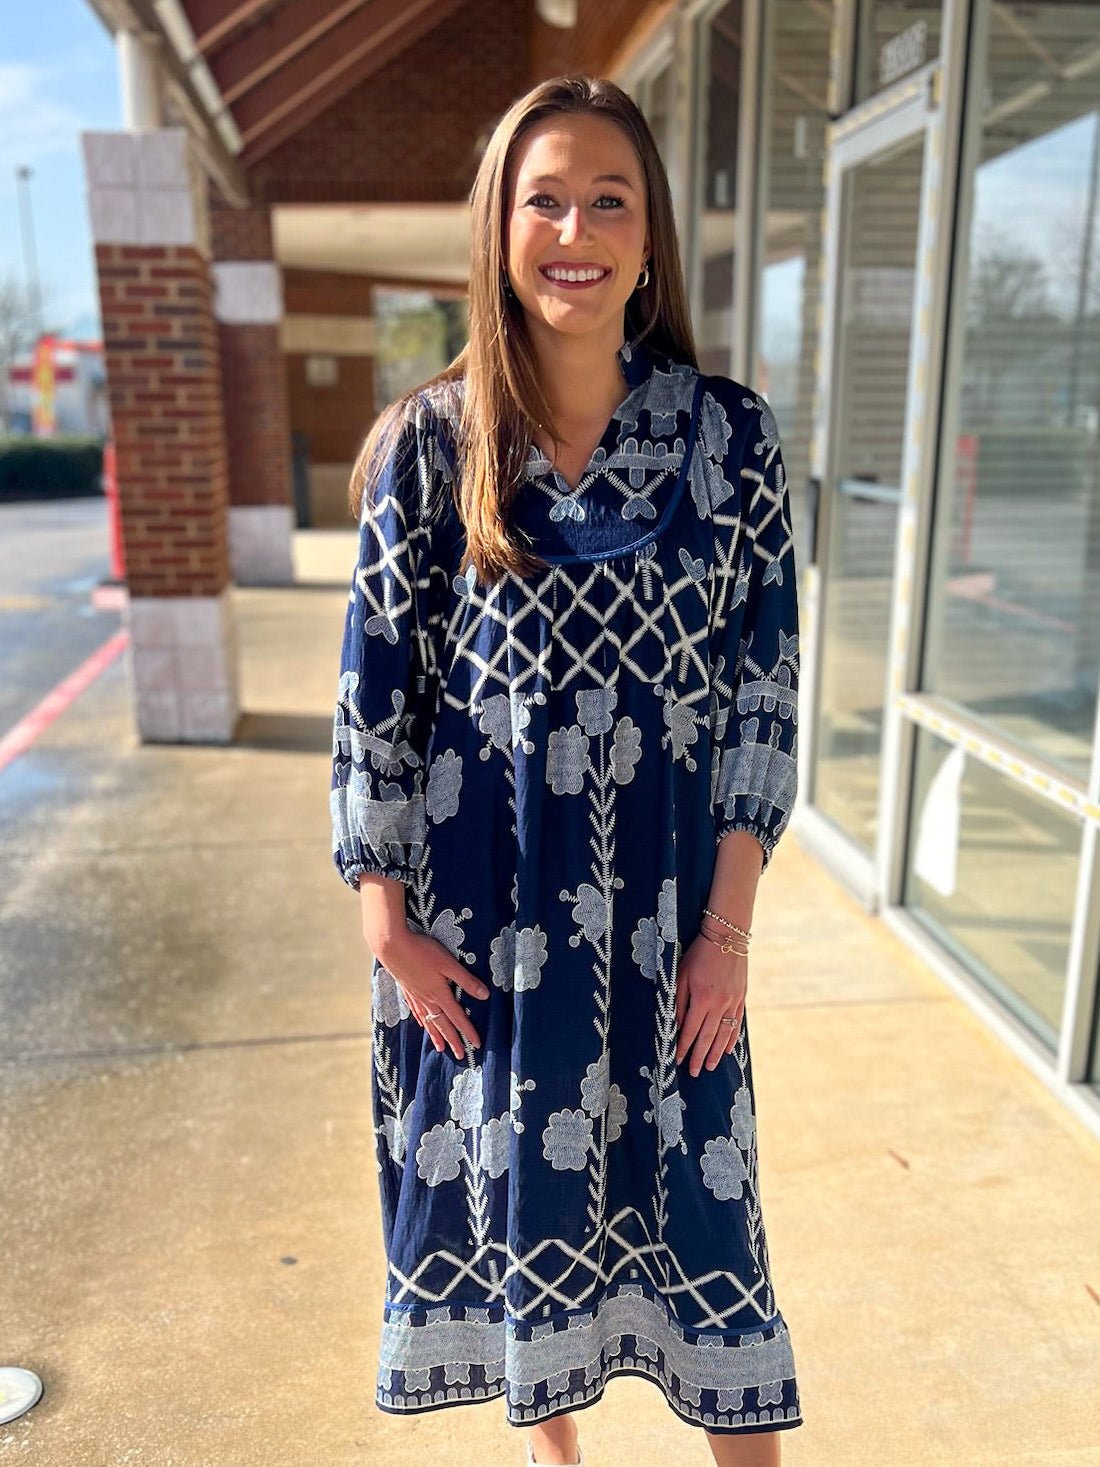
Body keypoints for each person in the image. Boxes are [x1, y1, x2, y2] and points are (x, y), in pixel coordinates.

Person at [330, 74, 803, 1467]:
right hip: (486, 935)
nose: (575, 229)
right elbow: (375, 700)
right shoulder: (430, 448)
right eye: (545, 198)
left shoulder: (728, 440)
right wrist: (389, 933)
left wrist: (728, 935)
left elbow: (762, 697)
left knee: (712, 1237)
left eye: (610, 199)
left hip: (670, 933)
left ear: (649, 237)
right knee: (522, 1226)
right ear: (500, 226)